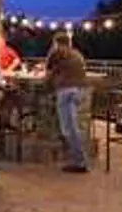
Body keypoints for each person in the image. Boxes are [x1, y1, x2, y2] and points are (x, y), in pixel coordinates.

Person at [45, 32, 89, 173]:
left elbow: (48, 70)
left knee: (68, 129)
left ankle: (79, 162)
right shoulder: (77, 54)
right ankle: (77, 159)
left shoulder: (58, 53)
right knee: (72, 127)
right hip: (78, 91)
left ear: (57, 43)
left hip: (65, 90)